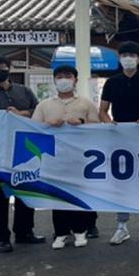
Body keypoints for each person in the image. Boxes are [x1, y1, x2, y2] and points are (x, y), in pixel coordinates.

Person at [0, 55, 43, 253]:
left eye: (2, 65)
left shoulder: (24, 91)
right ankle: (0, 237)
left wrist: (22, 113)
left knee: (26, 191)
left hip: (23, 149)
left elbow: (39, 112)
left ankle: (24, 231)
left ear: (9, 68)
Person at [99, 41, 139, 245]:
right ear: (119, 58)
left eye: (132, 55)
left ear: (138, 58)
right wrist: (109, 123)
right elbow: (102, 111)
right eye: (124, 55)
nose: (128, 59)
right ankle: (121, 227)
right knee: (121, 182)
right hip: (118, 139)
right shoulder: (111, 83)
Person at [31, 65, 100, 250]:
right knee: (58, 196)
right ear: (54, 80)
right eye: (60, 76)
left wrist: (82, 122)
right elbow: (32, 128)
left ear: (75, 80)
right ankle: (60, 233)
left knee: (78, 194)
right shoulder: (44, 105)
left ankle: (80, 231)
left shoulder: (85, 103)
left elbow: (97, 126)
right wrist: (47, 123)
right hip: (54, 158)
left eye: (68, 76)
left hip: (80, 158)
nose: (64, 80)